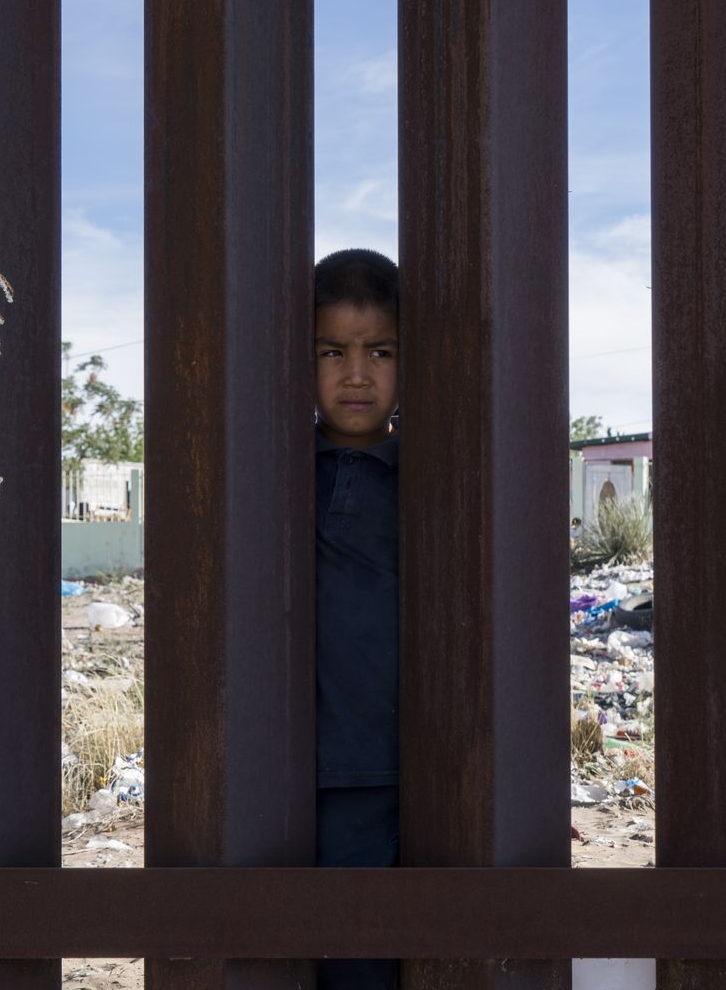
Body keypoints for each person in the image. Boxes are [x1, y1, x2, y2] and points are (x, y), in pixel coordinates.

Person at [311, 248, 401, 989]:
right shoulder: (278, 468)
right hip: (316, 766)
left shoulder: (430, 474)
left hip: (411, 762)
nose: (357, 373)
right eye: (332, 351)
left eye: (380, 351)